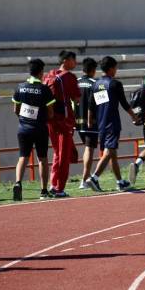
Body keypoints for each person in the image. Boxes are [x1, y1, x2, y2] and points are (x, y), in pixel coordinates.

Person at [86, 56, 136, 191]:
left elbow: (91, 105)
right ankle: (94, 178)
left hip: (101, 124)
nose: (116, 70)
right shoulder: (115, 84)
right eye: (115, 67)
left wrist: (90, 121)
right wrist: (134, 116)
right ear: (111, 68)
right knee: (109, 151)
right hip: (112, 123)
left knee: (112, 153)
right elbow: (125, 104)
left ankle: (120, 182)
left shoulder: (95, 84)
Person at [12, 59, 55, 201]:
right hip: (40, 128)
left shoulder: (20, 87)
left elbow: (15, 110)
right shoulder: (44, 89)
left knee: (23, 157)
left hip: (23, 128)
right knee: (42, 159)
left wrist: (25, 119)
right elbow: (51, 113)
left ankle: (18, 182)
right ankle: (43, 191)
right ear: (41, 72)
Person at [44, 50, 81, 198]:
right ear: (66, 60)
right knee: (64, 155)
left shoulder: (50, 74)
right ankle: (60, 188)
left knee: (57, 153)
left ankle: (53, 184)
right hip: (64, 121)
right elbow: (77, 98)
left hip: (50, 120)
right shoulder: (69, 77)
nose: (75, 63)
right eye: (73, 60)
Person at [76, 57, 99, 190]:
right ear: (93, 70)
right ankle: (84, 181)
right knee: (89, 149)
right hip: (92, 122)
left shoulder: (76, 82)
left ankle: (86, 176)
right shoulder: (95, 83)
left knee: (87, 148)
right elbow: (99, 103)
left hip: (78, 122)